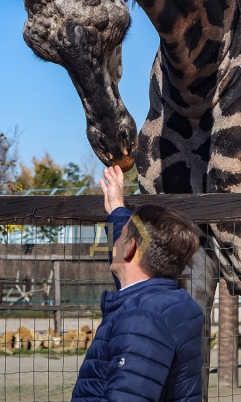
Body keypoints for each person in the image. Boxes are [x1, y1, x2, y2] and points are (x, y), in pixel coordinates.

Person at [71, 166, 204, 402]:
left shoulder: (143, 319)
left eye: (119, 237)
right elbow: (137, 250)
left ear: (130, 247)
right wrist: (117, 208)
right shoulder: (166, 301)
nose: (113, 245)